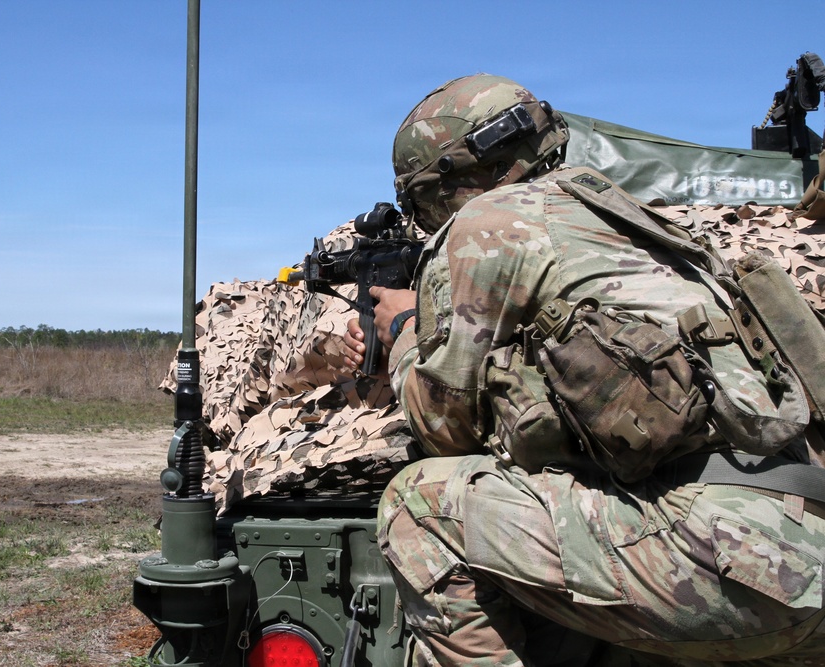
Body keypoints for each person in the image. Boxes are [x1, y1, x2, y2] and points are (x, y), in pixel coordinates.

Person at [344, 74, 825, 666]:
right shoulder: (626, 217)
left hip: (745, 566)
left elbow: (445, 430)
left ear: (446, 181)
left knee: (420, 507)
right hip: (798, 543)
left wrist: (401, 331)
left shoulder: (489, 222)